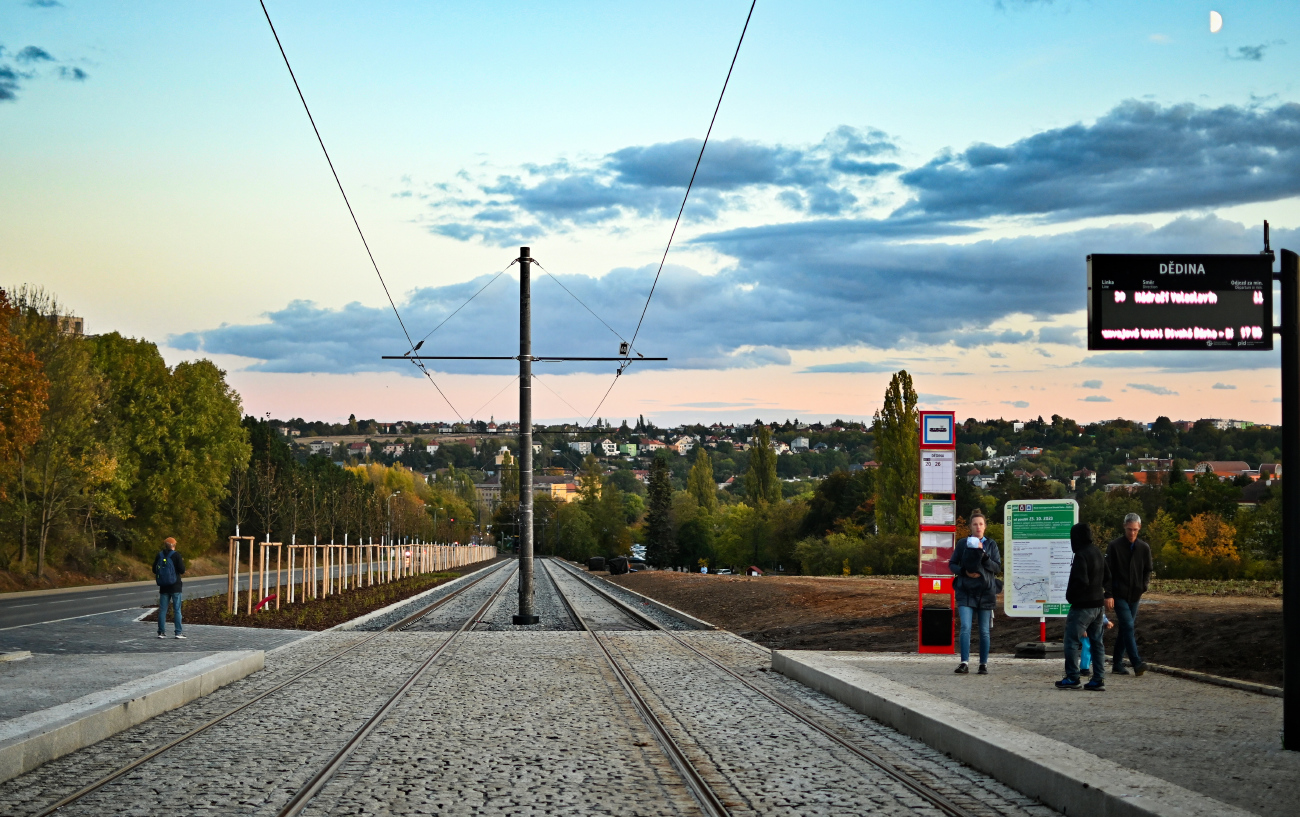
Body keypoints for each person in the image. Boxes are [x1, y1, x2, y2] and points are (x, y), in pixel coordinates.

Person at [1056, 523, 1108, 691]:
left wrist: (1071, 597)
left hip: (1082, 606)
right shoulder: (1097, 552)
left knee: (1071, 641)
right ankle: (1098, 679)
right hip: (1099, 605)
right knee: (1097, 642)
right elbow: (1108, 575)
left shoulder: (1081, 554)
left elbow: (1081, 581)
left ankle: (1072, 677)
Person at [949, 509, 1001, 675]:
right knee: (965, 626)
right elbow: (952, 564)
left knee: (984, 630)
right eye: (975, 524)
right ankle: (964, 662)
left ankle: (983, 664)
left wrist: (984, 555)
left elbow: (997, 568)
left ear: (985, 526)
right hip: (966, 590)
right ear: (970, 526)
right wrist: (964, 572)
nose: (978, 527)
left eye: (981, 524)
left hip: (985, 592)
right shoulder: (963, 544)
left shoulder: (991, 544)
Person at [1104, 512, 1153, 676]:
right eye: (1129, 529)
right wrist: (1108, 594)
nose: (1132, 533)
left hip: (1135, 594)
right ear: (1124, 527)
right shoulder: (1114, 546)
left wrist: (1143, 586)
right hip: (1119, 594)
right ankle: (1136, 662)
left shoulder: (1143, 548)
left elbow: (1148, 570)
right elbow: (1108, 572)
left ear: (1139, 528)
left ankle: (1117, 664)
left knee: (1125, 628)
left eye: (1135, 530)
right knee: (1128, 626)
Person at [153, 537, 186, 639]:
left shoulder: (159, 555)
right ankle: (178, 632)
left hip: (163, 587)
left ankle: (161, 632)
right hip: (175, 586)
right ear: (174, 545)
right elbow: (182, 570)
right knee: (177, 610)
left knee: (163, 610)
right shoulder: (176, 555)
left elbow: (154, 569)